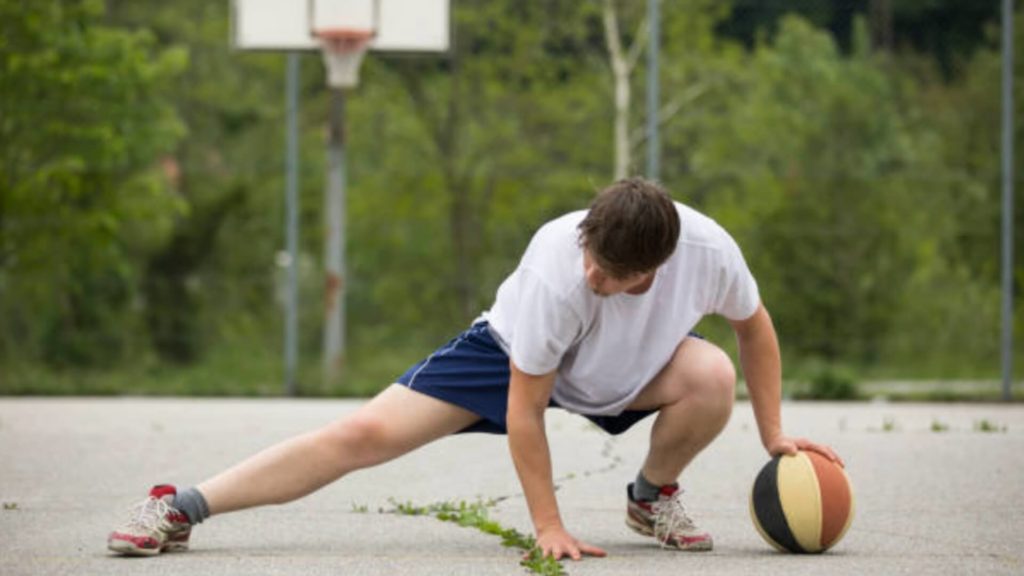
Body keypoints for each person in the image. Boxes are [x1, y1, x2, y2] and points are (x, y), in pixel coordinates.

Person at [107, 177, 841, 561]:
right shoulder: (561, 271)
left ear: (651, 271)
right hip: (509, 358)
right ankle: (180, 506)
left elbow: (754, 326)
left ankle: (650, 498)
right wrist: (548, 525)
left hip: (630, 368)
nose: (592, 274)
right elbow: (527, 410)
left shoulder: (709, 254)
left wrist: (774, 433)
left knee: (711, 375)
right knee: (363, 433)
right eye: (590, 256)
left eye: (610, 273)